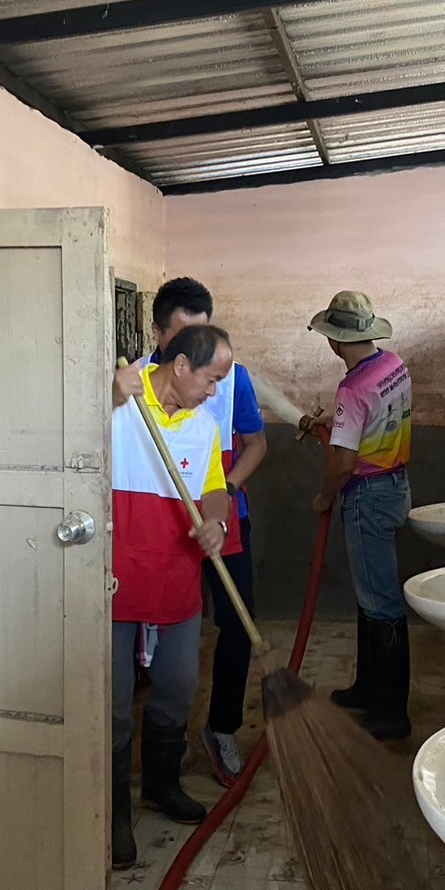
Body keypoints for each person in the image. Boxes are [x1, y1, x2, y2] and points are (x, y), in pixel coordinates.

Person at [117, 277, 267, 787]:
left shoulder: (220, 396)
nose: (213, 389)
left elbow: (241, 458)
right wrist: (112, 395)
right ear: (162, 338)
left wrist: (220, 513)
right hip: (138, 547)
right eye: (181, 337)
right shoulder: (129, 389)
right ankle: (130, 781)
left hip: (199, 533)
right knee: (124, 678)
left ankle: (208, 740)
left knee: (220, 635)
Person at [109, 324, 233, 870]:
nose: (214, 391)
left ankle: (160, 786)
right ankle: (113, 812)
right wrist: (108, 397)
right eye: (211, 379)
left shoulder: (203, 425)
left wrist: (216, 523)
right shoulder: (120, 400)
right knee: (112, 702)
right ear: (180, 366)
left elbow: (215, 489)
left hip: (176, 576)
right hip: (114, 580)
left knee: (179, 686)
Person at [306, 291, 413, 741]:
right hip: (395, 487)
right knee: (372, 594)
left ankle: (391, 712)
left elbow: (343, 464)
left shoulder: (351, 389)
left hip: (366, 496)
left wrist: (324, 497)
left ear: (335, 341)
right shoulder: (394, 366)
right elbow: (374, 421)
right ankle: (368, 688)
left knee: (381, 603)